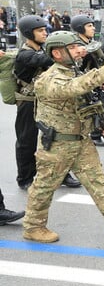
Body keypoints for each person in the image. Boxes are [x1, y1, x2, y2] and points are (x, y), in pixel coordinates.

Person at [22, 31, 104, 243]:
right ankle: (33, 227)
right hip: (58, 144)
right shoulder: (49, 78)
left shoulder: (74, 72)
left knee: (98, 183)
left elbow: (87, 101)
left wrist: (103, 123)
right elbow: (72, 89)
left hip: (81, 140)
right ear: (58, 54)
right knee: (43, 187)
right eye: (73, 48)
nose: (80, 50)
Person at [14, 15, 81, 191]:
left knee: (57, 139)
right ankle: (25, 178)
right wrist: (68, 51)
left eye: (45, 30)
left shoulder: (44, 49)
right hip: (28, 102)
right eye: (40, 31)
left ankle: (62, 175)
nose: (45, 33)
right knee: (26, 141)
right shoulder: (25, 54)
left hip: (48, 102)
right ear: (29, 33)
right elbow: (43, 61)